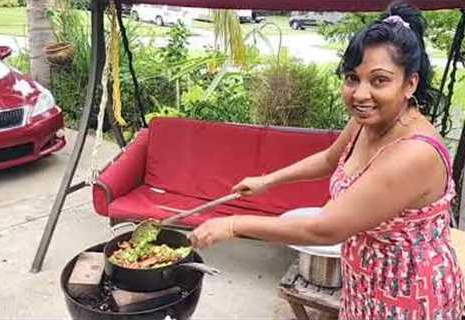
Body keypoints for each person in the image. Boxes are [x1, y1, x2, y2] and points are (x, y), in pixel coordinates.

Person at [190, 1, 465, 319]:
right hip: (365, 277)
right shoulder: (369, 118)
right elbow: (329, 158)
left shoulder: (414, 154)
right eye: (352, 78)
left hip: (409, 291)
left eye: (379, 80)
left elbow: (326, 229)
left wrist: (234, 224)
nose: (360, 94)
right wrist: (267, 181)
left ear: (410, 83)